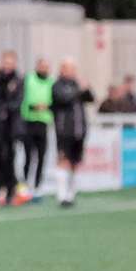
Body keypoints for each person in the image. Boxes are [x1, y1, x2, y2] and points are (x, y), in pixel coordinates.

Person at [50, 59, 94, 207]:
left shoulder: (76, 84)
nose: (72, 72)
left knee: (75, 162)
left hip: (79, 130)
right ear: (62, 70)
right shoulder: (57, 85)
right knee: (63, 160)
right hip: (64, 130)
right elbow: (63, 98)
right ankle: (61, 195)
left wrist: (86, 88)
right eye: (69, 69)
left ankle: (71, 193)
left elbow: (90, 98)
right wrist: (79, 90)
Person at [0, 51, 26, 205]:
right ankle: (1, 188)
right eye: (5, 62)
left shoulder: (18, 80)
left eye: (10, 63)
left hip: (12, 127)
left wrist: (5, 107)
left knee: (11, 158)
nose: (7, 66)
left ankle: (12, 190)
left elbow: (17, 103)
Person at [20, 57, 54, 194]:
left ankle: (38, 185)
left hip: (44, 122)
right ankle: (25, 184)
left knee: (41, 156)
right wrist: (34, 106)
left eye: (46, 66)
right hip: (29, 121)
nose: (44, 69)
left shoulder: (51, 82)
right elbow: (24, 98)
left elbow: (54, 101)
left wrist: (46, 106)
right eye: (42, 66)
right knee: (28, 155)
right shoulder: (28, 79)